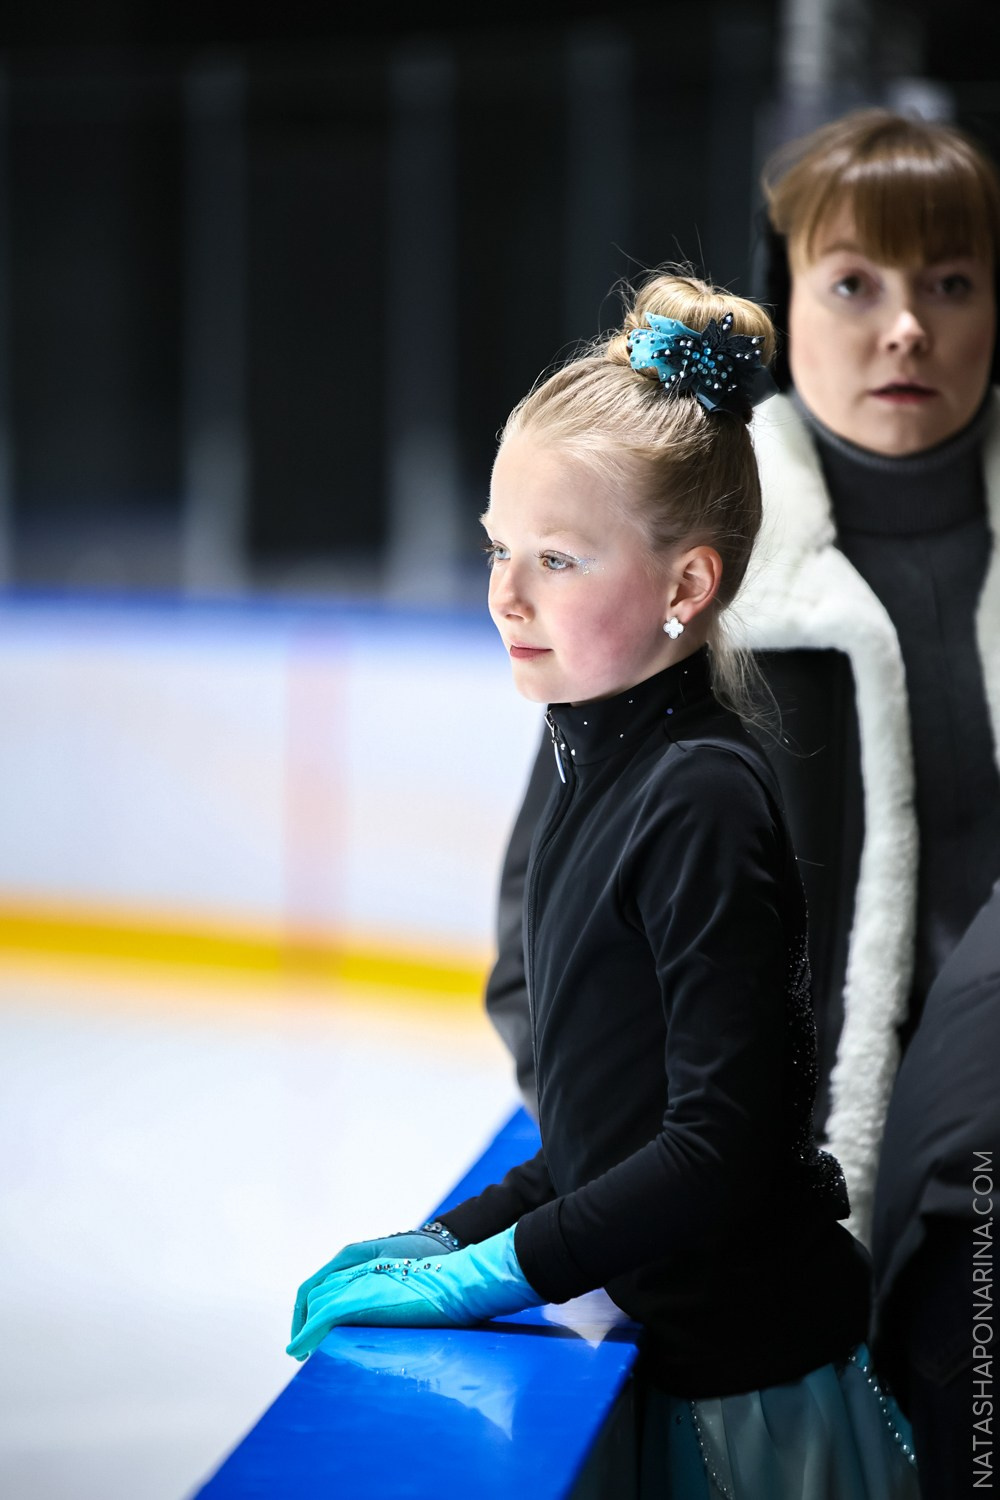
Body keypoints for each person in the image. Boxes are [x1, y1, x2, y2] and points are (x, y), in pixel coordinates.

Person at [287, 274, 919, 1496]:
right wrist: (447, 1236)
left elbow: (719, 1147)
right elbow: (605, 1127)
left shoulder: (698, 793)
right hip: (695, 1377)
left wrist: (496, 1271)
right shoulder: (600, 763)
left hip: (760, 1413)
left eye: (557, 560)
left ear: (687, 588)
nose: (504, 595)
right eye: (498, 549)